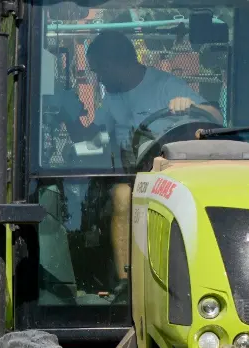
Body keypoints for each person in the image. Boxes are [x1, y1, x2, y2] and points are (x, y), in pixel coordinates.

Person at [60, 31, 222, 291]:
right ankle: (126, 283)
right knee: (121, 196)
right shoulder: (112, 98)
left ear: (115, 64)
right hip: (135, 175)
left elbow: (216, 116)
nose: (98, 78)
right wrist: (65, 111)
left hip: (172, 173)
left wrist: (190, 104)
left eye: (100, 70)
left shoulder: (166, 86)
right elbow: (90, 137)